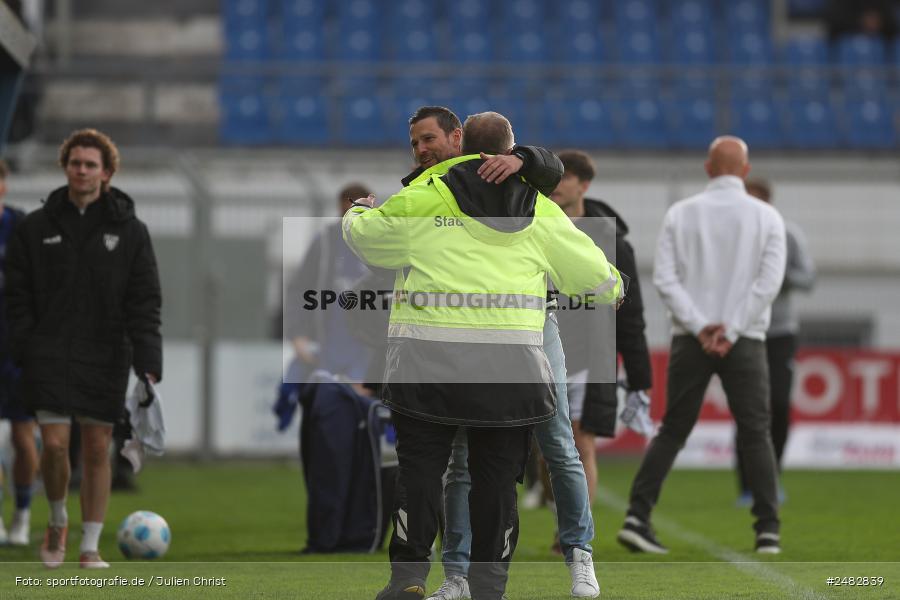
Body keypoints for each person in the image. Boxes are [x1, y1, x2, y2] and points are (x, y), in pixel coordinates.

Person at [345, 112, 624, 600]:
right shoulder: (538, 208)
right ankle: (487, 584)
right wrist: (615, 289)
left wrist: (357, 213)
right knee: (497, 480)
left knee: (423, 473)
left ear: (461, 143)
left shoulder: (425, 196)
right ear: (509, 150)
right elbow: (596, 277)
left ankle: (411, 578)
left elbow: (368, 241)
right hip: (510, 368)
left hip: (426, 364)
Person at [616, 136, 786, 555]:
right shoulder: (767, 216)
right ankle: (767, 529)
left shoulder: (681, 213)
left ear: (708, 169)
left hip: (689, 340)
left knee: (673, 429)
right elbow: (769, 283)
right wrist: (730, 328)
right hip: (744, 338)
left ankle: (638, 515)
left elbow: (665, 279)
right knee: (756, 432)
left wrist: (700, 325)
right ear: (745, 171)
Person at [5, 129, 162, 568]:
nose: (82, 170)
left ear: (107, 172)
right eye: (75, 163)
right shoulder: (35, 228)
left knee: (97, 448)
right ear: (65, 167)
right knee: (53, 447)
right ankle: (57, 519)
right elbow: (16, 293)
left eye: (91, 164)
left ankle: (89, 545)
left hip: (106, 353)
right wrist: (24, 342)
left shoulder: (131, 231)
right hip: (48, 354)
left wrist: (149, 361)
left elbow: (145, 300)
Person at [549, 150, 653, 509]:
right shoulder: (535, 228)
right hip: (537, 350)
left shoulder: (612, 242)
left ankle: (574, 540)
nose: (556, 186)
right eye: (554, 178)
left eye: (565, 178)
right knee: (543, 450)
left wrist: (640, 376)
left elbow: (631, 313)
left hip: (586, 358)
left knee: (581, 444)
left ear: (584, 185)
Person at [735, 178, 815, 506]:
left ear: (768, 200)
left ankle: (772, 477)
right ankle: (747, 486)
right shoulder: (734, 236)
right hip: (742, 329)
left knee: (779, 406)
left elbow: (808, 277)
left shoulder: (787, 233)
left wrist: (777, 277)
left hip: (780, 333)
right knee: (747, 409)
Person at [285, 182, 375, 393]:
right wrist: (298, 335)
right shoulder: (325, 242)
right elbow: (300, 289)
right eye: (347, 205)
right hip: (328, 346)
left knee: (360, 412)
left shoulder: (381, 242)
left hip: (365, 350)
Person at [0, 158, 38, 546]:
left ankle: (23, 516)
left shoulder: (21, 227)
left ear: (4, 185)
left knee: (22, 434)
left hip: (16, 345)